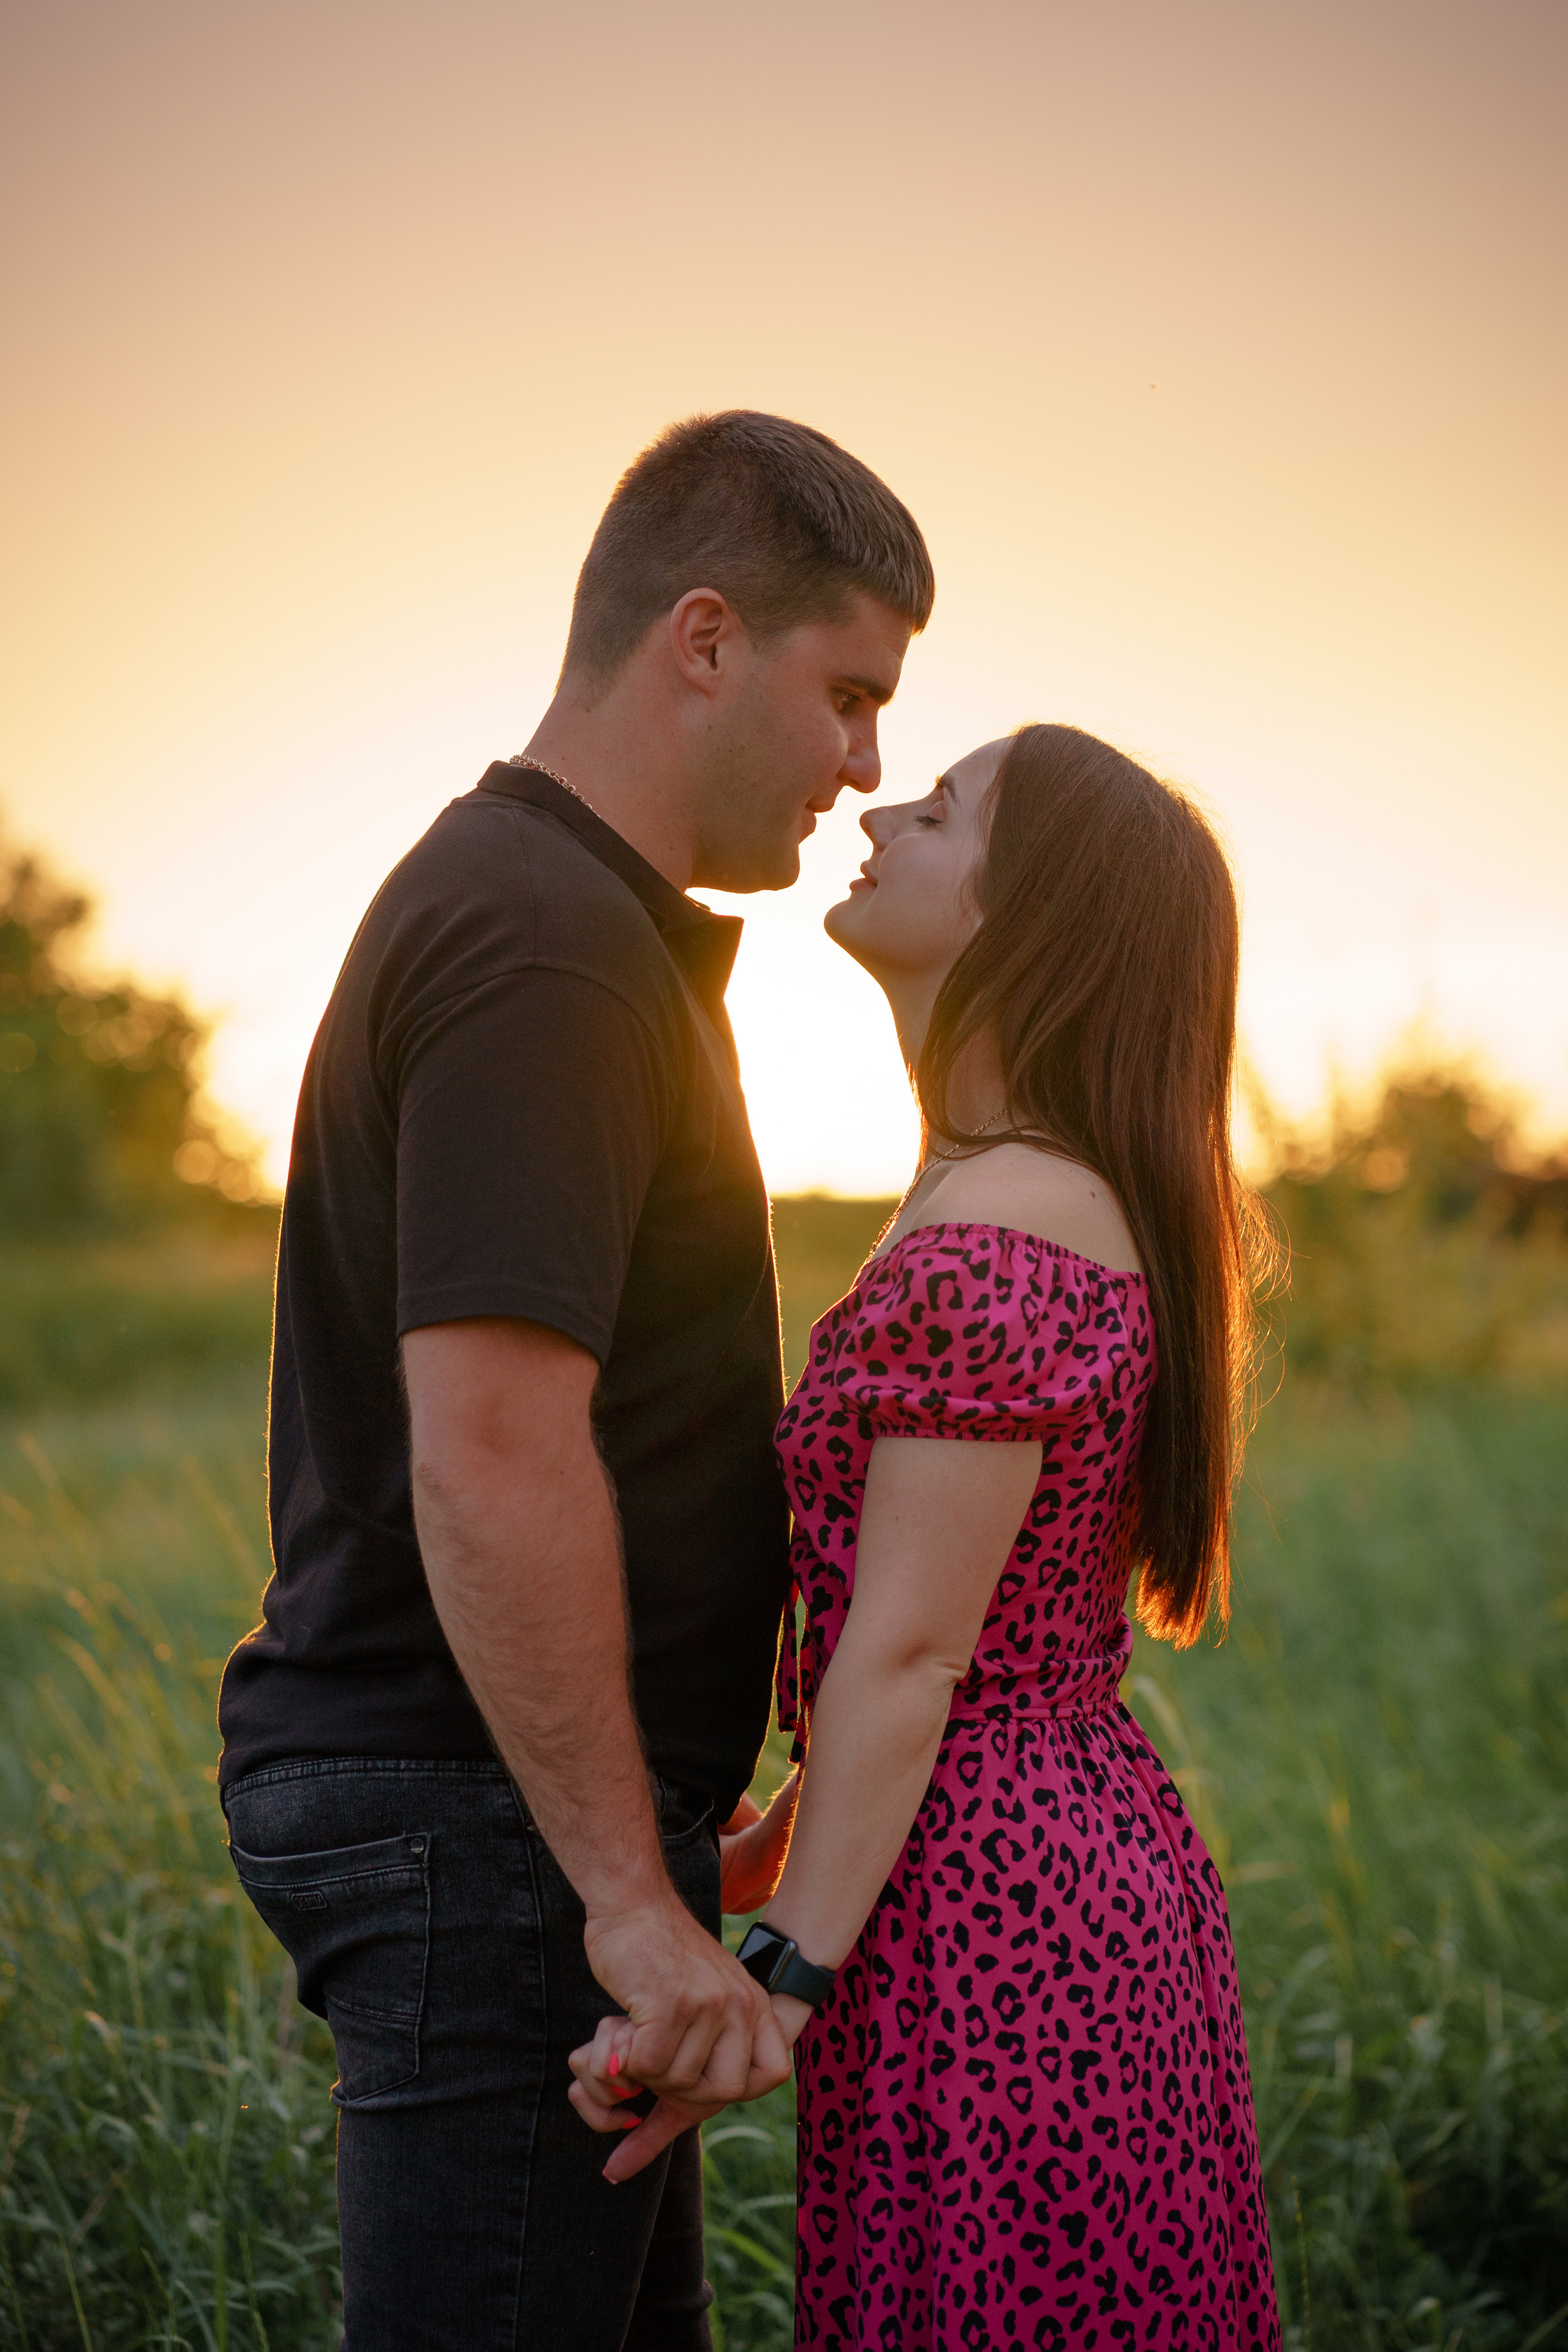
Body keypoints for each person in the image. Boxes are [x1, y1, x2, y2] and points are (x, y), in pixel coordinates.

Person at [214, 410, 934, 2348]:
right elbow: (498, 1443)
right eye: (848, 694)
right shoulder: (545, 949)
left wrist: (679, 1834)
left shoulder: (573, 925)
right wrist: (623, 1886)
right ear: (703, 640)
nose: (868, 765)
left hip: (530, 1822)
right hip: (490, 1833)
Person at [573, 724, 1284, 2350]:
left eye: (947, 809)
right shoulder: (1061, 1194)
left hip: (997, 1918)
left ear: (1025, 918)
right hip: (1064, 1870)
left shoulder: (996, 1230)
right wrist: (780, 1850)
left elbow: (911, 1652)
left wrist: (777, 1978)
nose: (882, 809)